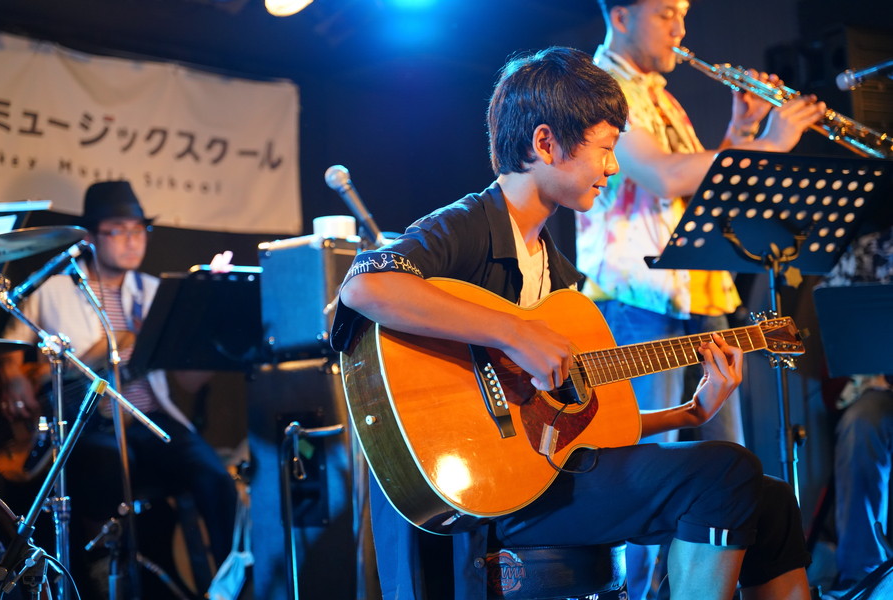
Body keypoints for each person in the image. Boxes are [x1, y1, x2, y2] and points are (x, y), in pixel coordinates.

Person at [331, 46, 811, 600]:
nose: (613, 167)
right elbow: (364, 286)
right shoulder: (467, 225)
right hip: (493, 498)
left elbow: (583, 428)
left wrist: (692, 412)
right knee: (727, 469)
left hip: (546, 477)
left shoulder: (558, 274)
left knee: (772, 501)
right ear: (545, 143)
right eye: (605, 149)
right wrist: (512, 332)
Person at [575, 1, 827, 595]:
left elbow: (697, 191)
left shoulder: (659, 95)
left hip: (697, 296)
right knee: (645, 475)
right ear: (621, 16)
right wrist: (771, 144)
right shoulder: (602, 88)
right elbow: (665, 175)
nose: (680, 29)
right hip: (638, 300)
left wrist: (741, 133)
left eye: (684, 14)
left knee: (727, 473)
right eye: (667, 13)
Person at [0, 180, 238, 598]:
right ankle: (103, 578)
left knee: (215, 477)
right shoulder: (54, 290)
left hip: (149, 416)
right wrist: (14, 376)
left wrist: (208, 329)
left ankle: (233, 582)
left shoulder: (156, 292)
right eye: (118, 230)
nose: (132, 240)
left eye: (139, 230)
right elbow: (10, 346)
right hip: (87, 423)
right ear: (91, 238)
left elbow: (189, 380)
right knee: (105, 469)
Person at [819, 226, 893, 598]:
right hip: (885, 390)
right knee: (861, 423)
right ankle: (864, 577)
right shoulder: (871, 248)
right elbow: (835, 320)